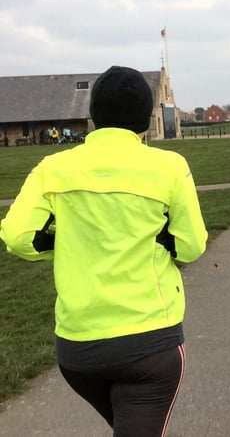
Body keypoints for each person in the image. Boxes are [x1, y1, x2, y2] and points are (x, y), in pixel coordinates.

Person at [0, 65, 208, 436]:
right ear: (145, 118)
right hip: (149, 341)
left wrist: (62, 240)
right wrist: (163, 240)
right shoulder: (169, 167)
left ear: (94, 114)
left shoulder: (53, 167)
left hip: (78, 348)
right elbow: (191, 246)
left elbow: (18, 236)